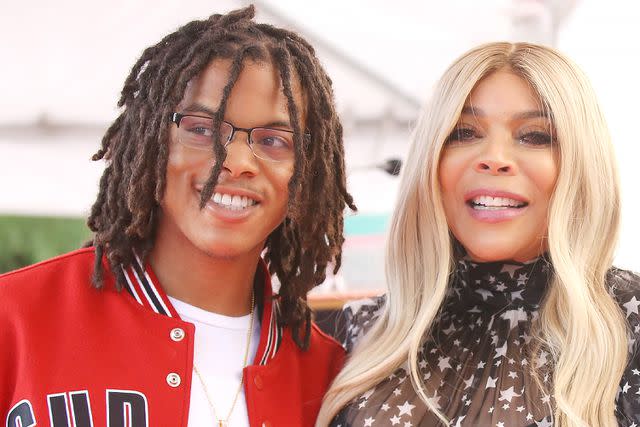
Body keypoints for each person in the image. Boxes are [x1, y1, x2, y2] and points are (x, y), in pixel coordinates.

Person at [0, 5, 356, 427]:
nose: (237, 160)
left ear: (306, 173)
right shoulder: (15, 317)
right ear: (151, 144)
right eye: (203, 129)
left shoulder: (329, 374)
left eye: (275, 140)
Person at [317, 42, 640, 427]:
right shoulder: (355, 331)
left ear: (581, 163)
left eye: (534, 135)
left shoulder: (627, 326)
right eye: (464, 132)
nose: (494, 157)